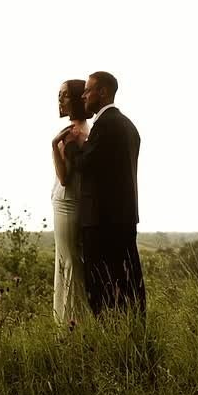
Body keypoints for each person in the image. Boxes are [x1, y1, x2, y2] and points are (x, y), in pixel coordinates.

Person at [71, 71, 146, 316]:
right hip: (124, 219)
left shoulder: (104, 126)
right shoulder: (128, 125)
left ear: (102, 92)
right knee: (128, 282)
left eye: (88, 90)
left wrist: (76, 144)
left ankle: (107, 342)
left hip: (101, 222)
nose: (83, 95)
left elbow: (85, 166)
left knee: (100, 287)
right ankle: (132, 331)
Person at [50, 79, 90, 324]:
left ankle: (70, 323)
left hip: (67, 202)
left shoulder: (74, 133)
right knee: (69, 261)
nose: (60, 100)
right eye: (58, 95)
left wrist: (54, 146)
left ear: (76, 98)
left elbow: (64, 177)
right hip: (71, 202)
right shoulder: (84, 129)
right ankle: (69, 321)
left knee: (69, 263)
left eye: (65, 95)